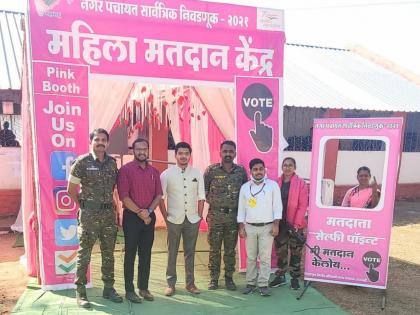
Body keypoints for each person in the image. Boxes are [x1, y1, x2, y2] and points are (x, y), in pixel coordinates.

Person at [67, 128, 123, 308]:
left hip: (108, 216)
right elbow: (71, 189)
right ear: (91, 141)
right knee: (85, 254)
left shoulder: (112, 163)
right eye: (97, 139)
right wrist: (83, 206)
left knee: (108, 254)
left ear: (107, 142)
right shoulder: (82, 162)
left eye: (103, 140)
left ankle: (108, 288)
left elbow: (114, 189)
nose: (100, 142)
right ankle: (81, 292)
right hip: (89, 216)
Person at [117, 138, 163, 303]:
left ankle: (143, 288)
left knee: (146, 254)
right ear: (133, 151)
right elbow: (124, 196)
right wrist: (140, 213)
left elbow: (159, 195)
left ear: (148, 150)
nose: (142, 152)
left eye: (145, 149)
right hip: (132, 218)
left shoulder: (154, 172)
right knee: (130, 254)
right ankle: (129, 290)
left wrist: (149, 212)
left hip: (149, 218)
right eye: (138, 149)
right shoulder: (125, 170)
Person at [159, 142, 205, 296]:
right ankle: (170, 284)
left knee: (190, 252)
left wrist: (198, 216)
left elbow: (201, 197)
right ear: (175, 155)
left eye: (186, 153)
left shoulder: (197, 173)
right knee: (172, 251)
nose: (184, 156)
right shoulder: (166, 174)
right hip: (174, 220)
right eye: (181, 153)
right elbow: (160, 198)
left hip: (192, 220)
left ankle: (190, 284)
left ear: (189, 155)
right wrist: (166, 218)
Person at [204, 140, 247, 290]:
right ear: (220, 152)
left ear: (235, 153)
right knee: (214, 249)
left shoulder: (241, 171)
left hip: (233, 218)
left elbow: (246, 193)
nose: (228, 154)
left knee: (230, 250)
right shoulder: (211, 170)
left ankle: (229, 278)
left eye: (231, 151)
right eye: (225, 151)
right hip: (215, 216)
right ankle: (213, 278)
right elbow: (204, 191)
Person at [237, 158, 282, 297]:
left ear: (265, 170)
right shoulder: (245, 187)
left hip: (267, 227)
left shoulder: (272, 185)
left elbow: (277, 206)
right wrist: (241, 226)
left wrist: (276, 225)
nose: (258, 172)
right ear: (250, 171)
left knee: (265, 257)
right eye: (255, 169)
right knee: (250, 257)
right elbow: (241, 209)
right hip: (249, 227)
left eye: (261, 169)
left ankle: (263, 284)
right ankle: (250, 283)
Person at [270, 157, 309, 290]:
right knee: (280, 251)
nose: (287, 167)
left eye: (290, 165)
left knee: (295, 252)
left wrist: (296, 225)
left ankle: (294, 278)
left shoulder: (301, 183)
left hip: (295, 225)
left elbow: (303, 205)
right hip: (280, 224)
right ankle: (280, 276)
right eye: (285, 165)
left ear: (294, 167)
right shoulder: (275, 183)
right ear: (282, 167)